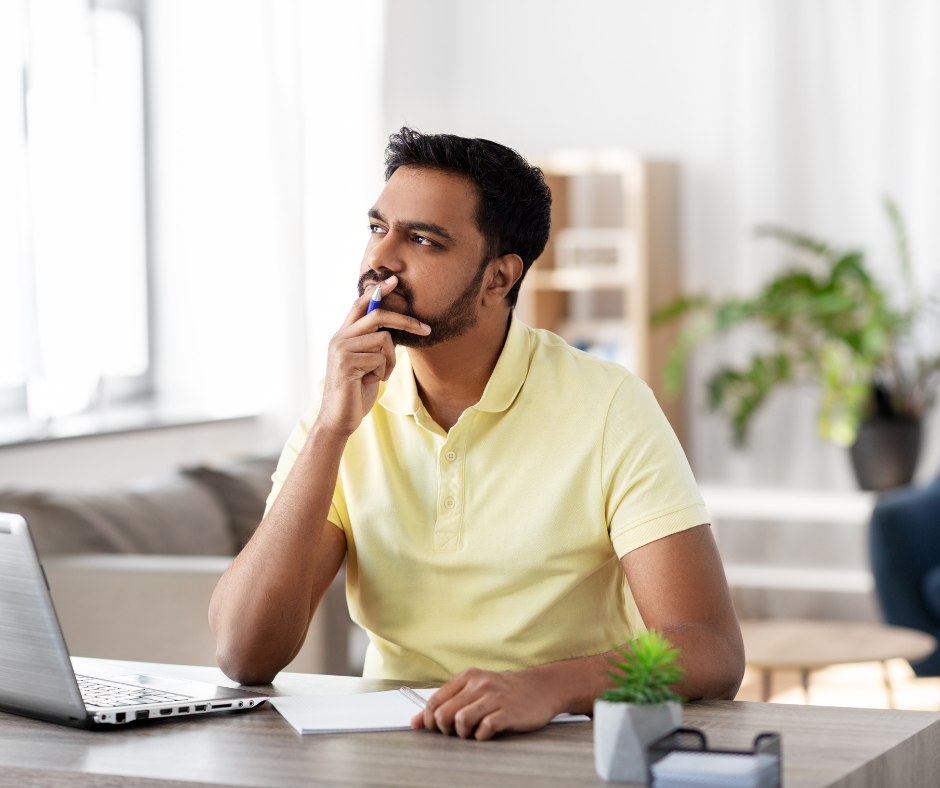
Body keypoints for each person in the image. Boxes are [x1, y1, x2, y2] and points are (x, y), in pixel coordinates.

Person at [209, 128, 744, 740]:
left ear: (498, 278)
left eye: (423, 240)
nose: (381, 260)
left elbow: (709, 650)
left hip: (560, 741)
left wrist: (546, 686)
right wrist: (332, 429)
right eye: (378, 228)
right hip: (394, 748)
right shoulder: (343, 410)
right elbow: (242, 654)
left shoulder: (610, 407)